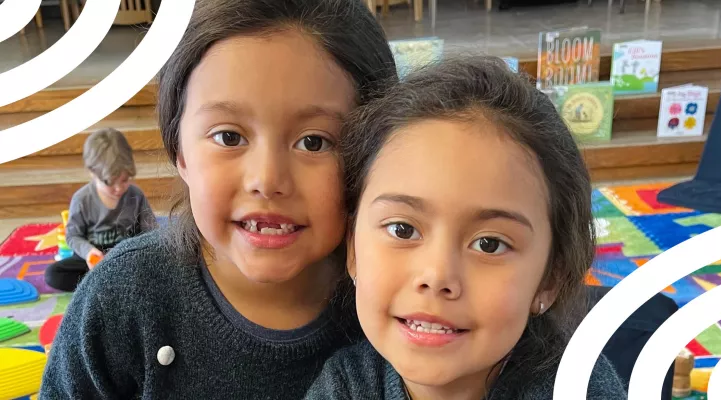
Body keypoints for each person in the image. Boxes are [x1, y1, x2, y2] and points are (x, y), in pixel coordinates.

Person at [39, 0, 396, 398]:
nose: (267, 180)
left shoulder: (404, 304)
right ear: (181, 153)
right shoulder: (121, 298)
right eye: (229, 137)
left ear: (376, 156)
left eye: (314, 142)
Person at [305, 57, 627, 399]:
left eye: (489, 244)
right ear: (353, 248)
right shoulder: (346, 385)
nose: (437, 276)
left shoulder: (577, 388)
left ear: (550, 279)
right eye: (402, 229)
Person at [44, 127, 157, 292]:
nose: (119, 188)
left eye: (125, 180)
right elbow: (73, 236)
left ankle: (105, 284)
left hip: (127, 258)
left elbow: (151, 232)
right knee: (53, 274)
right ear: (92, 173)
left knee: (158, 266)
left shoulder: (135, 195)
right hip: (92, 261)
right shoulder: (82, 199)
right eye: (110, 182)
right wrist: (89, 252)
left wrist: (139, 253)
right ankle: (103, 284)